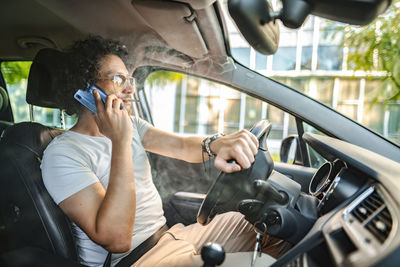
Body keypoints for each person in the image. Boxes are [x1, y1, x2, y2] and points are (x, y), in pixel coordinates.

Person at [41, 36, 289, 267]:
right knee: (262, 263)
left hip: (170, 236)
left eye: (130, 80)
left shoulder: (133, 125)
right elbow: (117, 240)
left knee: (270, 228)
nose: (130, 89)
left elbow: (181, 146)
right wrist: (120, 142)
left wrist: (216, 143)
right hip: (137, 260)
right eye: (118, 80)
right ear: (86, 90)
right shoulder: (63, 154)